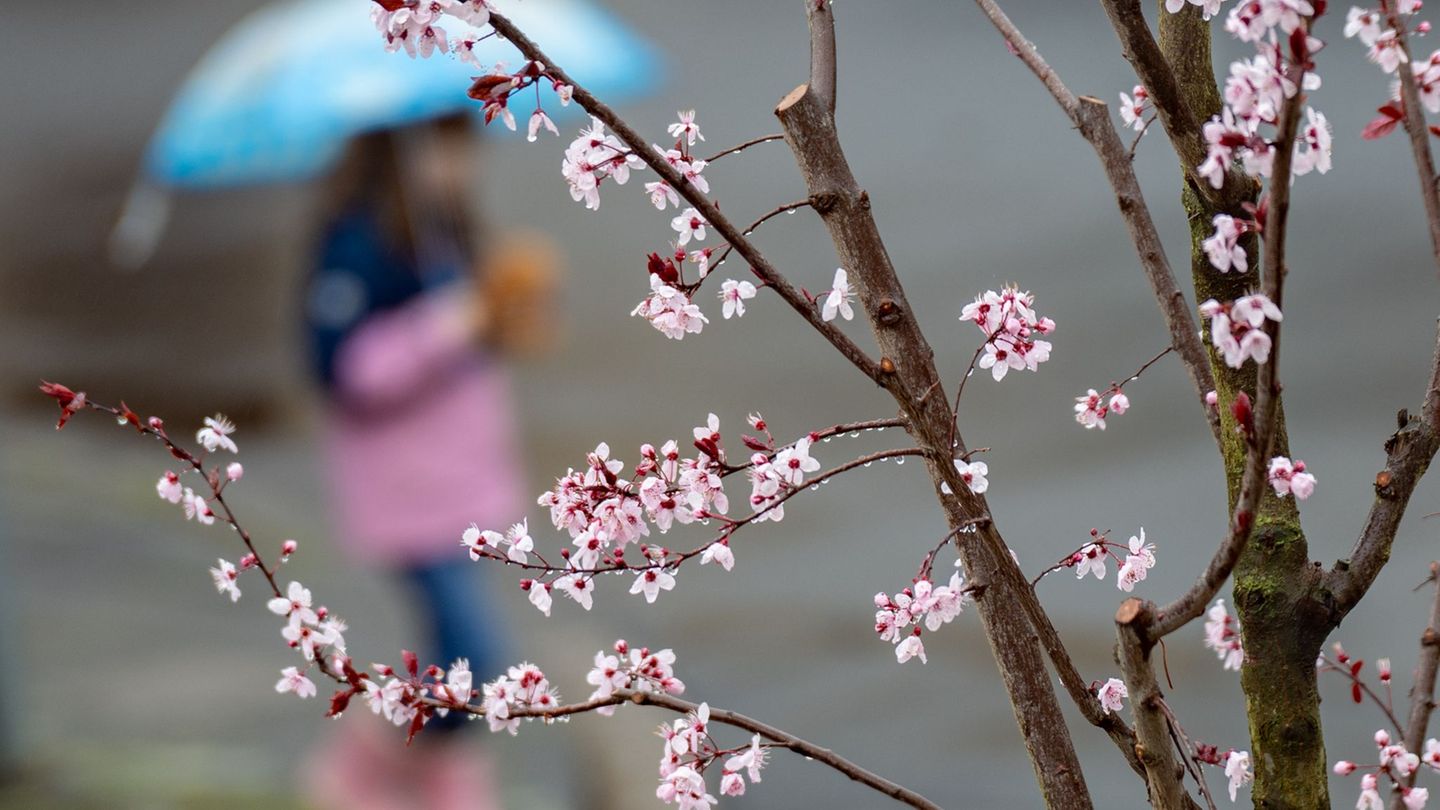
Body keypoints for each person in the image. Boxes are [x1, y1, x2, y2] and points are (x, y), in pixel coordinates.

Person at [299, 113, 558, 810]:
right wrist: (447, 326)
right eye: (443, 144)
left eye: (465, 144)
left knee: (454, 652)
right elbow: (345, 372)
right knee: (477, 656)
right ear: (396, 146)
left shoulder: (446, 229)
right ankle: (370, 758)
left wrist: (503, 316)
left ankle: (432, 769)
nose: (460, 163)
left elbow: (466, 350)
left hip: (462, 481)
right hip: (407, 493)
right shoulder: (358, 243)